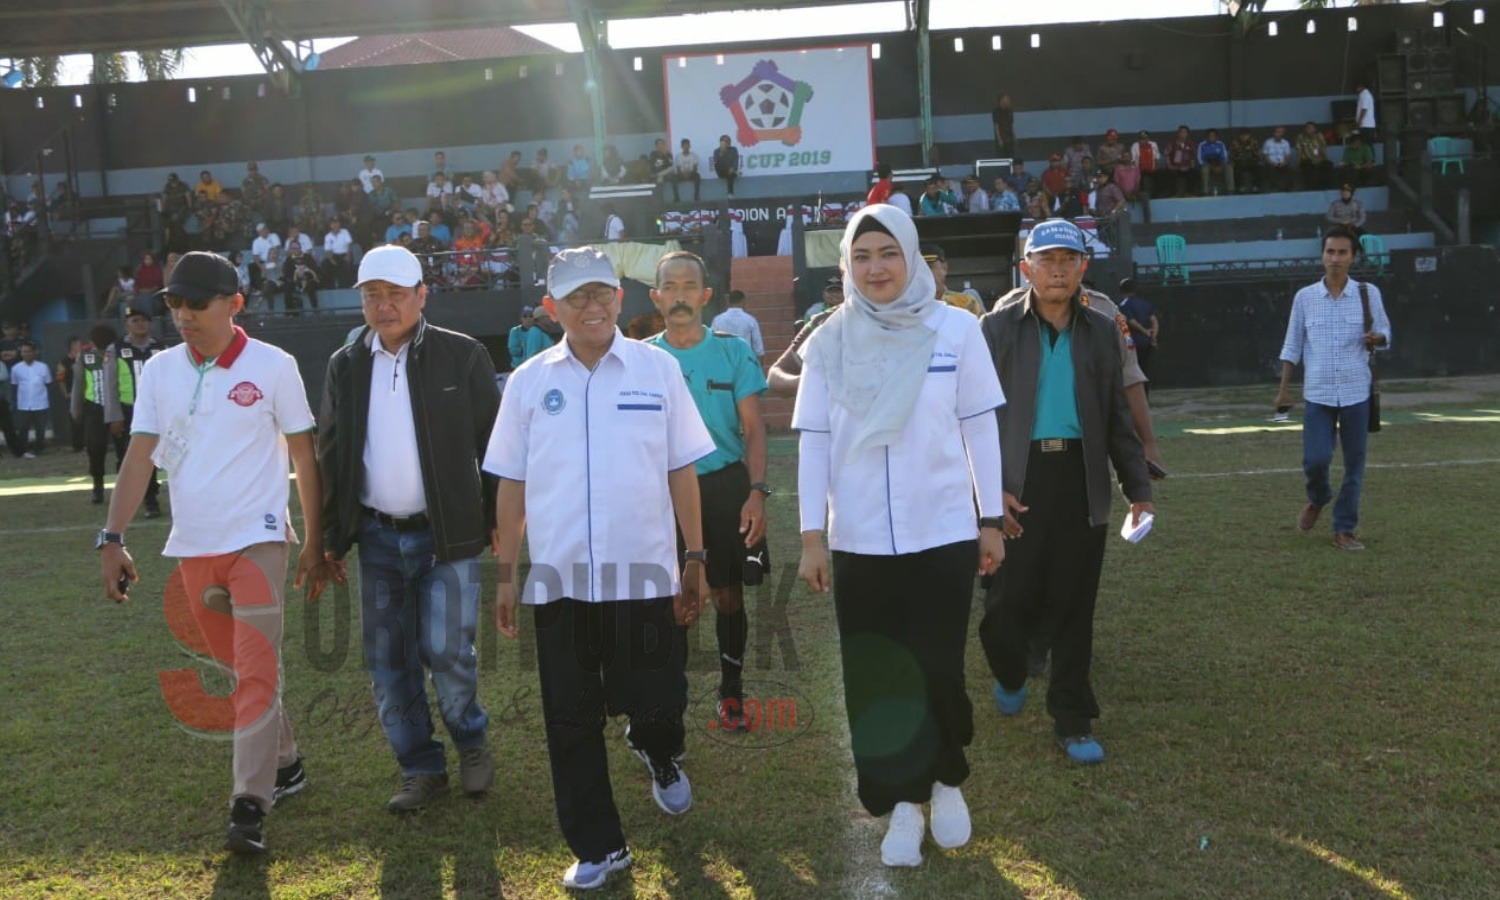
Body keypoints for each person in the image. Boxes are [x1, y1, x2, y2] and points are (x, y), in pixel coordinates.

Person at [483, 246, 714, 891]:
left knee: (663, 699)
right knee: (571, 718)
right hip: (560, 583)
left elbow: (681, 468)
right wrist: (506, 573)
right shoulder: (528, 382)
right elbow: (511, 483)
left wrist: (694, 555)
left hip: (647, 576)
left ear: (620, 299)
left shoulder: (657, 368)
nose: (592, 306)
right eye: (576, 296)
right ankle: (599, 845)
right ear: (552, 307)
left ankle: (659, 750)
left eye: (602, 294)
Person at [793, 204, 1006, 867]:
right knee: (878, 678)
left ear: (911, 255)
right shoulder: (829, 337)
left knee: (938, 665)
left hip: (942, 531)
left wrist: (990, 518)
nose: (875, 268)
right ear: (846, 267)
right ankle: (904, 806)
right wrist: (810, 537)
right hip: (857, 538)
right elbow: (814, 442)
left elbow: (980, 427)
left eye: (887, 253)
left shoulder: (958, 330)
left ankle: (945, 781)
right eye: (861, 257)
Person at [98, 250, 329, 854]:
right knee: (239, 670)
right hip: (194, 546)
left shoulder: (275, 366)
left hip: (259, 539)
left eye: (195, 303)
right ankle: (288, 762)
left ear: (235, 303)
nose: (182, 315)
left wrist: (315, 537)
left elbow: (305, 456)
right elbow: (140, 455)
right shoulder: (159, 372)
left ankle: (248, 806)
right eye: (173, 303)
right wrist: (112, 536)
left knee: (254, 669)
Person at [316, 245, 500, 811]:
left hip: (447, 535)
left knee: (447, 652)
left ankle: (470, 739)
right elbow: (332, 451)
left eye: (395, 293)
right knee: (389, 661)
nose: (383, 305)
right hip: (376, 537)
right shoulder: (344, 363)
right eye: (372, 294)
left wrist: (498, 521)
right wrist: (330, 536)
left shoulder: (462, 356)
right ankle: (420, 766)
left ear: (422, 295)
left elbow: (494, 448)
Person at [978, 218, 1154, 766]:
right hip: (1016, 483)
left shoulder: (1103, 330)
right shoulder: (995, 329)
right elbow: (972, 418)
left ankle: (1073, 719)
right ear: (1025, 267)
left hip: (1081, 480)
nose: (1057, 270)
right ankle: (1010, 670)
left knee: (1076, 605)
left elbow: (1117, 417)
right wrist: (986, 491)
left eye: (1067, 260)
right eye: (1046, 259)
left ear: (1083, 268)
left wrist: (1138, 488)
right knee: (1006, 604)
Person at [646, 251, 770, 732]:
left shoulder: (733, 351)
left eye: (688, 286)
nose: (679, 295)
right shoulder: (642, 360)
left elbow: (755, 429)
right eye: (669, 287)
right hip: (661, 492)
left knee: (728, 595)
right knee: (668, 598)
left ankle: (731, 692)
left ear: (705, 295)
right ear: (656, 298)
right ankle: (667, 699)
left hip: (723, 487)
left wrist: (756, 491)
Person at [1276, 225, 1390, 551]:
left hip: (1357, 392)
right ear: (1322, 255)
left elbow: (1385, 331)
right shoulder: (1306, 298)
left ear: (1353, 257)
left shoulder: (1368, 294)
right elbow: (1292, 345)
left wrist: (1377, 338)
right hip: (1318, 393)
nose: (1335, 259)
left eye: (1342, 252)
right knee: (1316, 459)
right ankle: (1318, 497)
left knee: (1354, 465)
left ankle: (1344, 530)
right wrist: (1283, 390)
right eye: (1330, 252)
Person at [102, 307, 166, 518]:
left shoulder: (160, 347)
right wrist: (114, 416)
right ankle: (135, 498)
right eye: (135, 320)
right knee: (129, 457)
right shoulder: (116, 349)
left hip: (158, 411)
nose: (140, 324)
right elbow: (110, 385)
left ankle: (151, 499)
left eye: (144, 320)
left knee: (156, 455)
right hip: (128, 410)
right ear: (126, 325)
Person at [71, 325, 122, 503]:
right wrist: (75, 408)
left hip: (118, 407)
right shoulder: (85, 356)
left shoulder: (119, 353)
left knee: (123, 450)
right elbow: (78, 383)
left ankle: (123, 488)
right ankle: (97, 486)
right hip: (94, 407)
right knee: (95, 449)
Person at [768, 276, 843, 397]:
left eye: (838, 291)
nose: (835, 295)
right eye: (831, 291)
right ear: (824, 294)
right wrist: (809, 381)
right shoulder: (816, 314)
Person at [10, 341, 51, 457]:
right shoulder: (16, 368)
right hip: (24, 404)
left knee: (40, 428)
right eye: (24, 352)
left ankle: (40, 449)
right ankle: (23, 450)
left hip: (40, 403)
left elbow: (48, 383)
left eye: (28, 351)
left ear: (34, 353)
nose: (26, 354)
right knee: (23, 428)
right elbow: (14, 385)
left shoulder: (43, 367)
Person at [1117, 278, 1159, 386]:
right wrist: (1153, 336)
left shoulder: (1123, 305)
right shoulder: (1143, 303)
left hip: (1132, 343)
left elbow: (1131, 322)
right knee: (1145, 370)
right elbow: (1154, 321)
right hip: (1147, 342)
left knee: (1133, 373)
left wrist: (1144, 332)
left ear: (1121, 290)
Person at [922, 244, 983, 317]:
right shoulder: (909, 307)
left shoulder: (967, 304)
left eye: (929, 267)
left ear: (944, 268)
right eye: (919, 269)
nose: (924, 273)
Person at [709, 289, 765, 358]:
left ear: (728, 302)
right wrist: (760, 367)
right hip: (744, 361)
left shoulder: (717, 320)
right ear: (743, 301)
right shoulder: (751, 320)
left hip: (724, 361)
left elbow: (711, 343)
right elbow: (759, 349)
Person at [670, 138, 702, 203]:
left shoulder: (694, 155)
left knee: (697, 176)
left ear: (690, 146)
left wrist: (689, 173)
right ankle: (677, 199)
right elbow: (678, 169)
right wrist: (683, 174)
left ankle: (696, 198)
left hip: (691, 174)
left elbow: (695, 168)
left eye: (687, 145)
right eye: (684, 145)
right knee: (674, 178)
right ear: (681, 147)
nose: (686, 147)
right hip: (682, 174)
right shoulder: (678, 156)